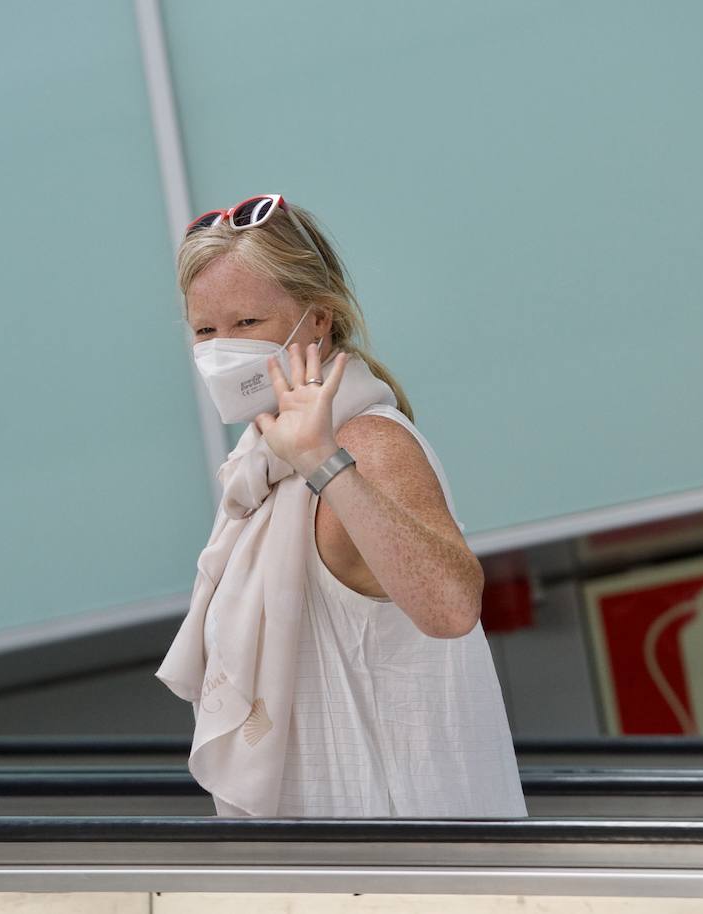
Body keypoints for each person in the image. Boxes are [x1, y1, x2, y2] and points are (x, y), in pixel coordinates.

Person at [155, 193, 527, 819]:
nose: (223, 351)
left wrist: (324, 461)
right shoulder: (259, 470)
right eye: (205, 331)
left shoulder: (369, 444)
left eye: (247, 324)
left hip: (403, 866)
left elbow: (453, 604)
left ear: (319, 320)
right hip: (328, 871)